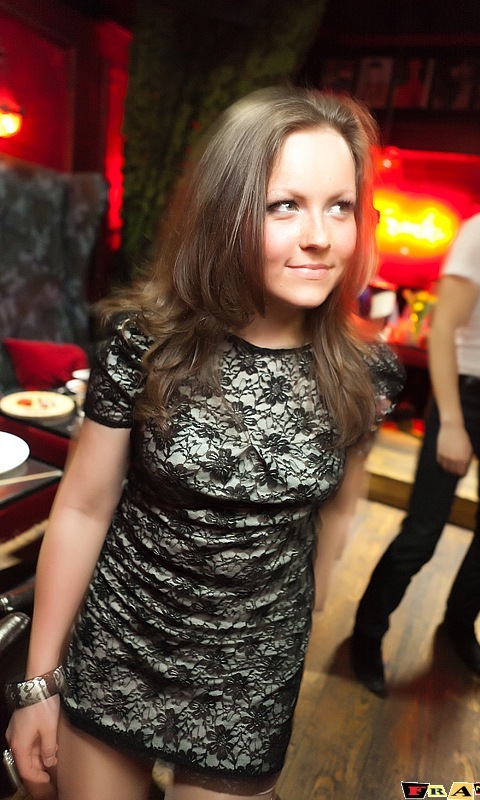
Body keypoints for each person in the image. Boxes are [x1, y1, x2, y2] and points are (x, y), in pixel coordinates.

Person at [5, 86, 403, 800]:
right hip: (120, 648)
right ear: (228, 212)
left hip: (251, 678)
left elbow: (341, 499)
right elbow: (84, 508)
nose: (320, 235)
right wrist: (38, 684)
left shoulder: (367, 372)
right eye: (285, 205)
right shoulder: (145, 344)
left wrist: (313, 594)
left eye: (340, 206)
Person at [350, 171, 480, 698]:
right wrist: (452, 423)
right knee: (421, 534)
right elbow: (445, 327)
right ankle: (366, 634)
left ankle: (459, 623)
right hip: (468, 400)